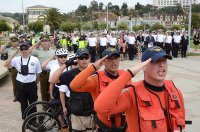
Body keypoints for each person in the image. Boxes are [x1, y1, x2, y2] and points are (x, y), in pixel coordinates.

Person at [94, 46, 186, 132]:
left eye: (164, 61)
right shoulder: (132, 93)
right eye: (156, 61)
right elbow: (100, 108)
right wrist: (129, 73)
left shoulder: (175, 92)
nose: (162, 65)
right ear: (144, 66)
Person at [70, 48, 132, 131]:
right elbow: (74, 86)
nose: (114, 61)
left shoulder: (124, 74)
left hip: (125, 126)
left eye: (116, 58)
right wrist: (93, 67)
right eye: (109, 58)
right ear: (103, 61)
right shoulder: (97, 78)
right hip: (105, 127)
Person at [50, 48, 95, 132]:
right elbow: (52, 80)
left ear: (90, 58)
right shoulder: (69, 74)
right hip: (76, 115)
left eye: (86, 57)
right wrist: (65, 65)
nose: (84, 60)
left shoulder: (94, 72)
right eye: (81, 58)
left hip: (91, 114)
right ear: (76, 59)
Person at [4, 43, 42, 118]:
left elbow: (38, 73)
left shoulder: (35, 59)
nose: (24, 50)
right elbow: (6, 64)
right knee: (23, 102)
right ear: (20, 50)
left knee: (33, 103)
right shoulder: (16, 59)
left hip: (31, 84)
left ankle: (33, 119)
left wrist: (36, 82)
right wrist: (14, 54)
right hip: (21, 84)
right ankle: (25, 118)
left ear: (29, 49)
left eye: (25, 48)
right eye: (22, 49)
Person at [30, 35, 56, 103]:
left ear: (49, 42)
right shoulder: (37, 51)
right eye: (42, 41)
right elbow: (28, 51)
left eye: (46, 41)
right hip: (43, 73)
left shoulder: (54, 51)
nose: (44, 43)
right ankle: (45, 105)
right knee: (43, 91)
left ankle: (51, 106)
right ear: (40, 43)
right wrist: (36, 43)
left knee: (52, 90)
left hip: (52, 73)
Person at [0, 36, 20, 101]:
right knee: (15, 83)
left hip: (21, 68)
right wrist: (7, 43)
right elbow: (1, 51)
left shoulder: (20, 49)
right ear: (11, 43)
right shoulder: (8, 49)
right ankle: (16, 96)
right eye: (13, 42)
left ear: (18, 42)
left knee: (21, 83)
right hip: (13, 69)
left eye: (15, 41)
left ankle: (21, 95)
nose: (14, 43)